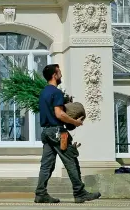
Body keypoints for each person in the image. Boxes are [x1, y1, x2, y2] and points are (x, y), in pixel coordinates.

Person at [34, 64, 101, 204]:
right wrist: (75, 122)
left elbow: (52, 111)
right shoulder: (56, 92)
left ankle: (40, 193)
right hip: (58, 132)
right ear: (54, 75)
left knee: (46, 165)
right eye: (59, 72)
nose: (61, 75)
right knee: (71, 160)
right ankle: (80, 192)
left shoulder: (43, 92)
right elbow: (59, 114)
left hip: (46, 132)